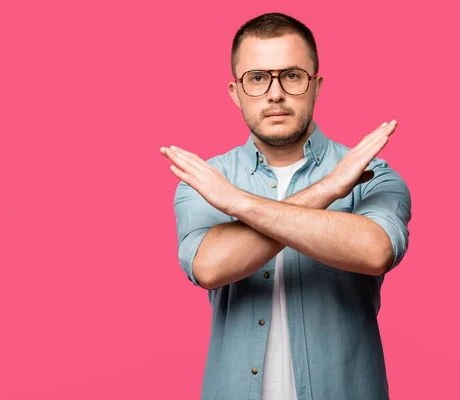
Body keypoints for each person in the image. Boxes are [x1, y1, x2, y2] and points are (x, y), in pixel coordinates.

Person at [160, 12, 412, 400]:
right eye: (257, 78)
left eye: (292, 76)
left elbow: (375, 250)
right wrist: (328, 190)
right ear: (235, 92)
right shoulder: (206, 180)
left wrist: (238, 204)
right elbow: (209, 266)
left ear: (316, 86)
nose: (275, 93)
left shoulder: (370, 173)